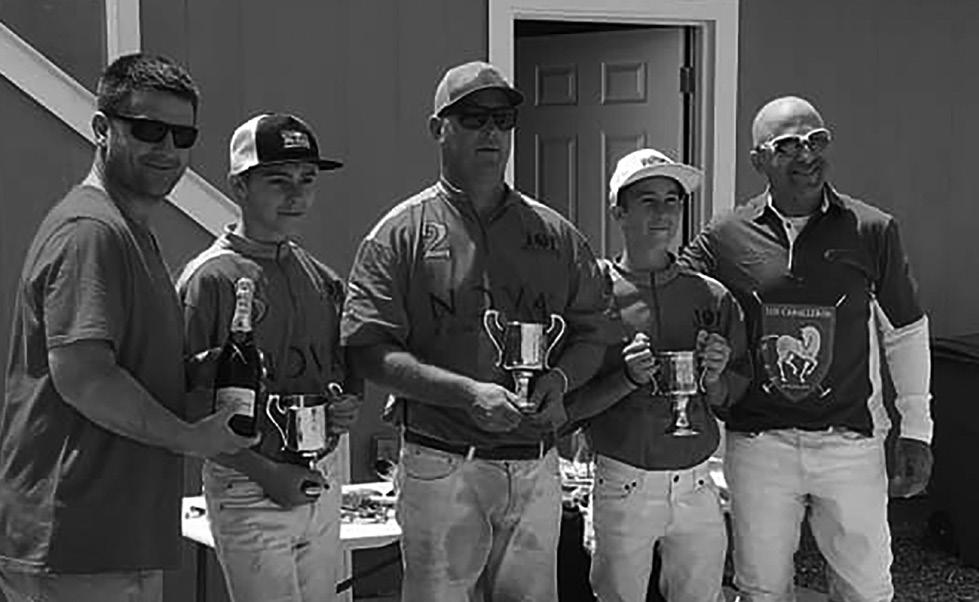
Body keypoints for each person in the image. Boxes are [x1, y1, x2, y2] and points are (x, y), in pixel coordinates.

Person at [340, 60, 619, 602]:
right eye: (472, 117)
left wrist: (559, 381)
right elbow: (368, 351)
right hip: (442, 462)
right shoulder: (400, 234)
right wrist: (466, 394)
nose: (491, 130)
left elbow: (595, 333)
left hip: (535, 464)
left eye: (503, 118)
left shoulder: (556, 233)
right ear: (438, 128)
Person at [0, 53, 257, 602]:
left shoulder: (129, 231)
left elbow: (122, 369)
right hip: (75, 539)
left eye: (183, 136)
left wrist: (199, 373)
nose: (168, 149)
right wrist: (192, 438)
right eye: (147, 130)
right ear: (102, 128)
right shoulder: (91, 231)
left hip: (114, 537)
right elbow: (85, 377)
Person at [679, 96, 933, 601]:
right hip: (759, 444)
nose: (807, 155)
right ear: (758, 160)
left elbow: (905, 331)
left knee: (867, 590)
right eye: (788, 145)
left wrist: (917, 431)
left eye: (817, 140)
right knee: (762, 590)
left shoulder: (872, 229)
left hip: (850, 443)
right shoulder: (725, 236)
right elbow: (671, 291)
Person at [177, 113, 362, 602]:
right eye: (278, 180)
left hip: (320, 474)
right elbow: (185, 406)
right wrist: (266, 473)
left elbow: (343, 373)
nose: (296, 195)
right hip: (248, 481)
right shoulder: (210, 279)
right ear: (239, 185)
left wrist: (345, 406)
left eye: (307, 180)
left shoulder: (322, 278)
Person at [560, 148, 749, 601]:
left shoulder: (712, 296)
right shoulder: (591, 294)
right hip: (623, 482)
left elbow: (732, 399)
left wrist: (715, 375)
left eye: (673, 200)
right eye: (648, 201)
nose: (663, 213)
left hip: (697, 483)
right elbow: (567, 408)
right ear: (618, 211)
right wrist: (625, 378)